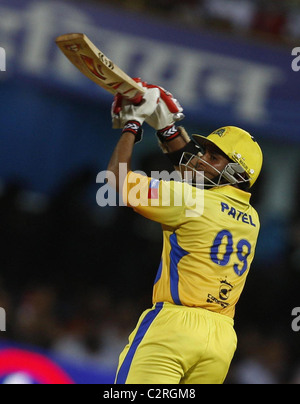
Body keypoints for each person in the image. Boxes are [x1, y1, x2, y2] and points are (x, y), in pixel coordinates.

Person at [107, 80, 263, 384]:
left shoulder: (190, 200)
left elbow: (117, 178)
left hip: (174, 327)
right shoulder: (252, 217)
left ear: (237, 173)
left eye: (213, 157)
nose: (201, 159)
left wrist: (132, 125)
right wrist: (167, 129)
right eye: (204, 152)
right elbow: (196, 177)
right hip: (221, 338)